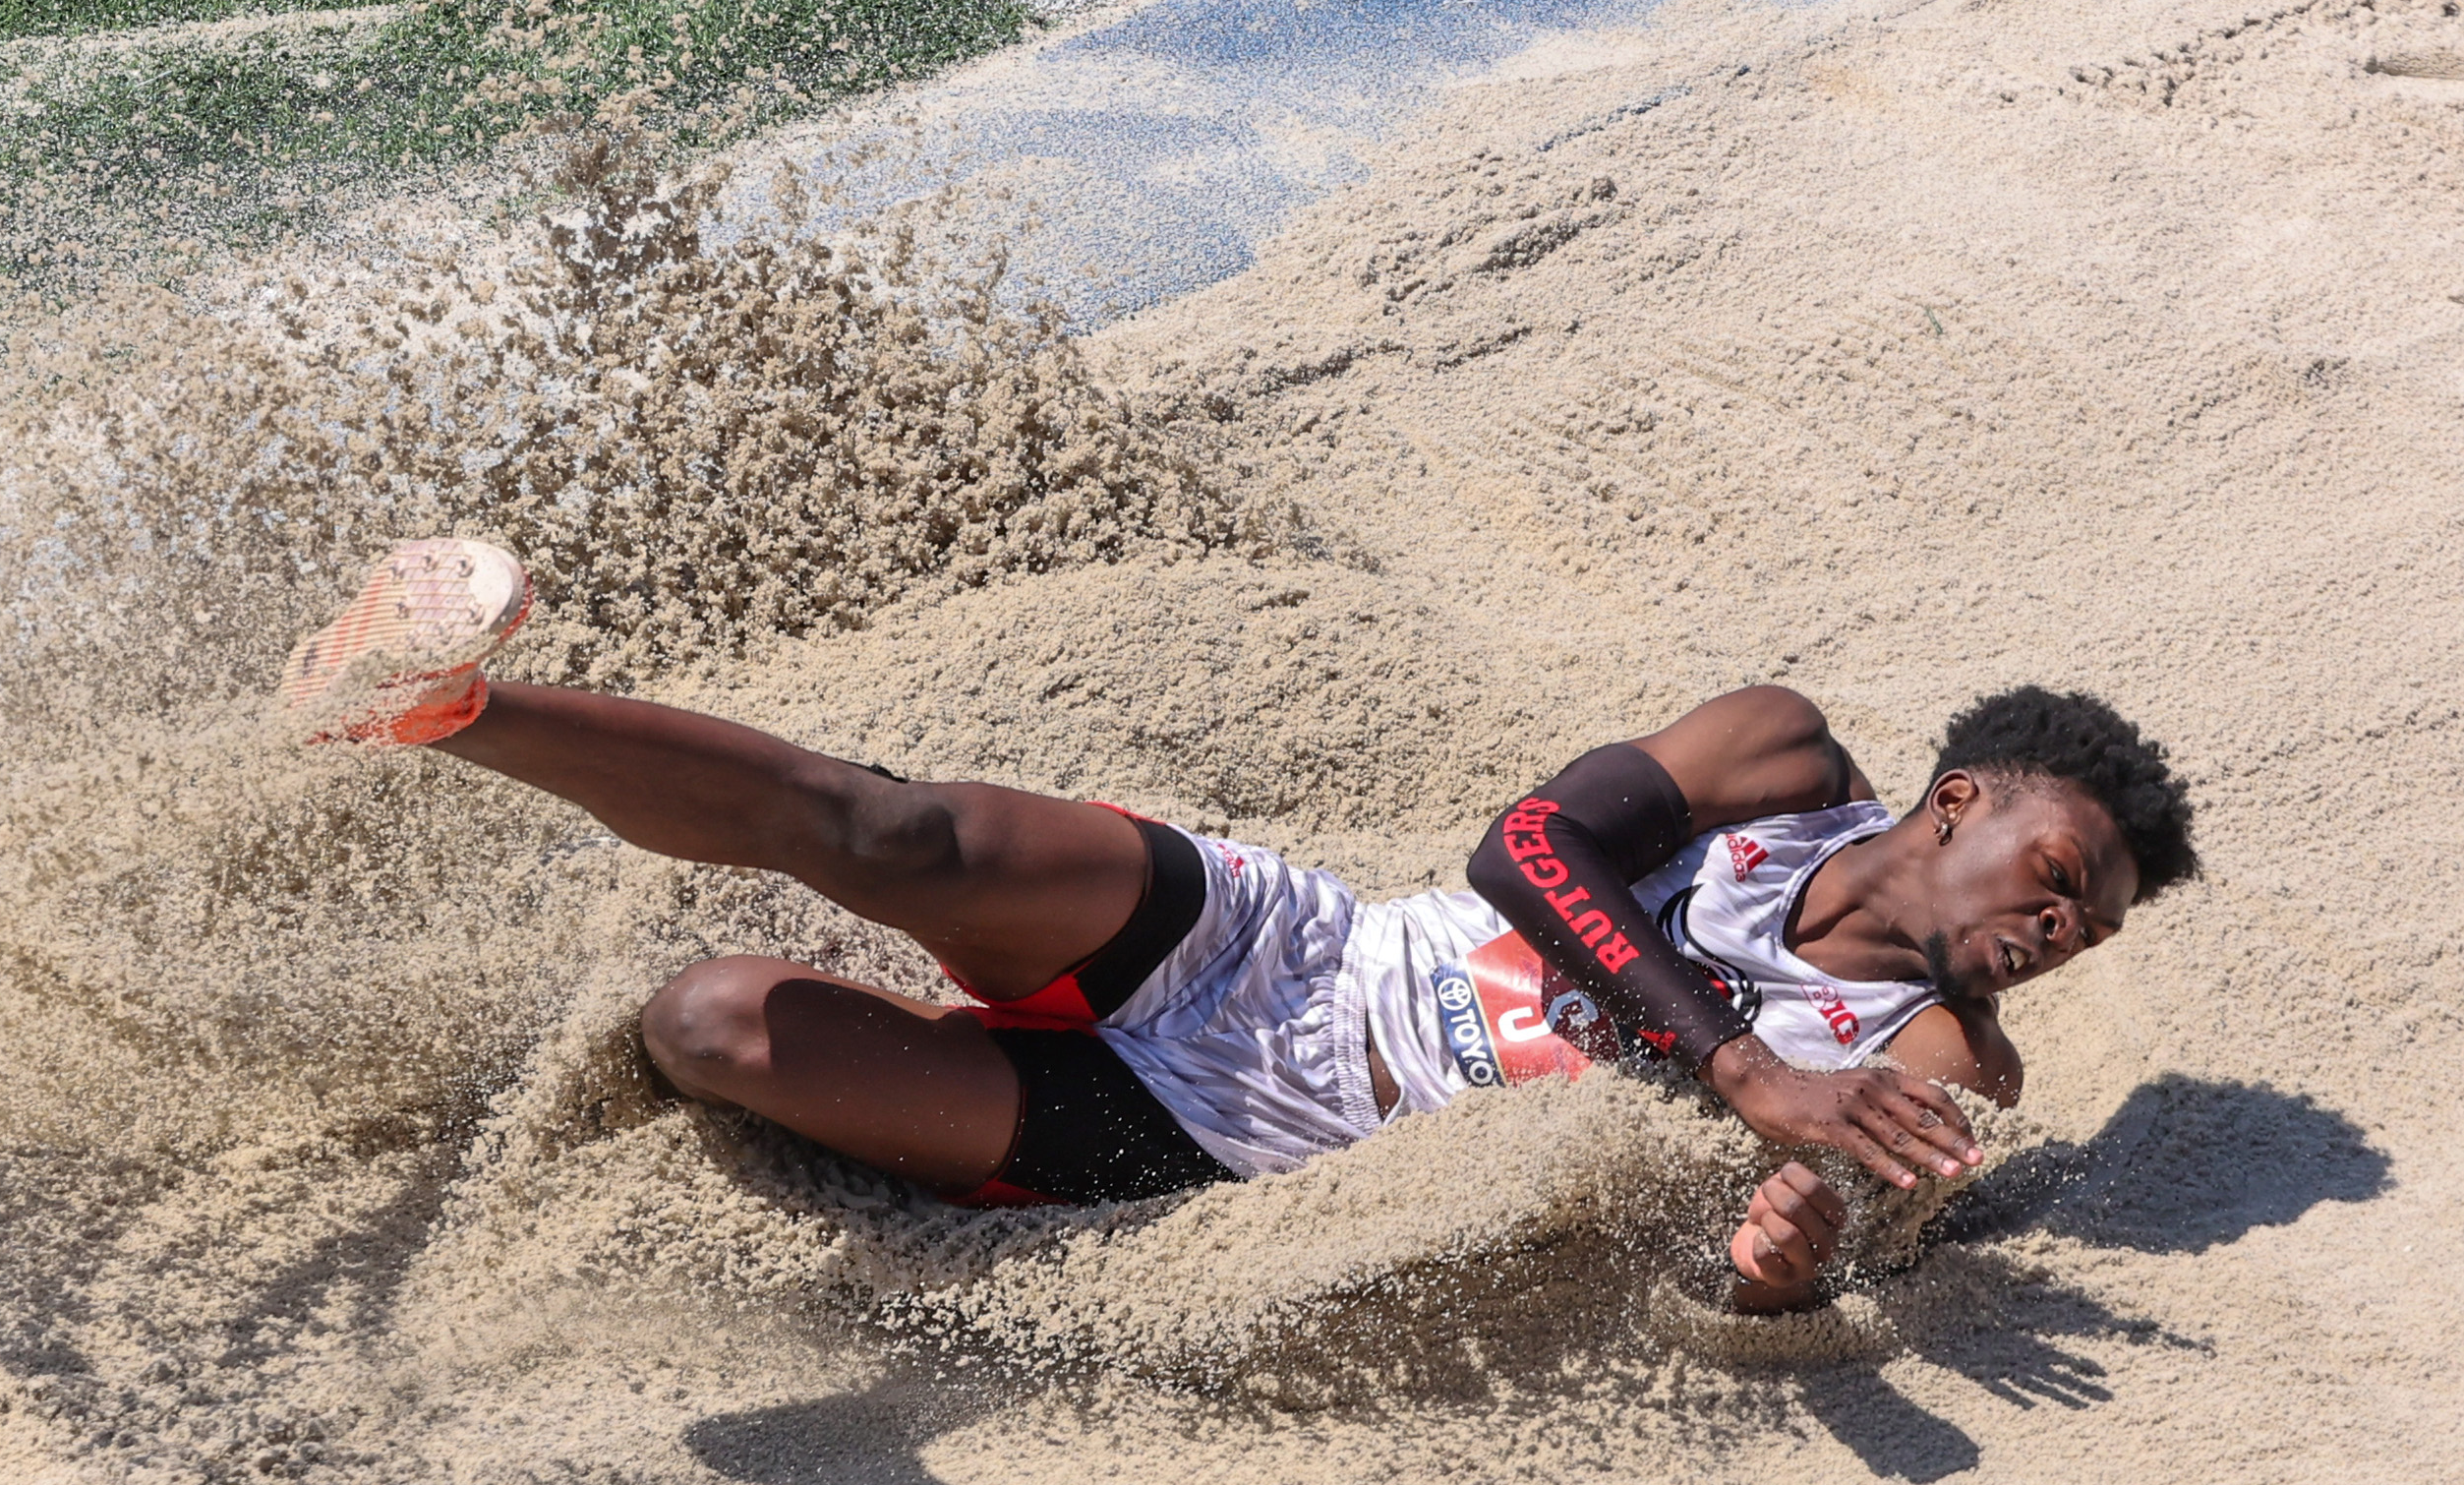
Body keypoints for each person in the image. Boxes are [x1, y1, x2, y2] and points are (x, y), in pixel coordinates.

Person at [281, 538, 2199, 1310]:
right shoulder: (1775, 758)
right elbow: (1523, 848)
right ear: (1958, 798)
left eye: (2089, 930)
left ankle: (945, 1079)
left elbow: (1839, 1227)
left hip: (1242, 1142)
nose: (2059, 927)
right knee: (896, 825)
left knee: (712, 1025)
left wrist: (1786, 1259)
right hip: (1279, 953)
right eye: (2056, 876)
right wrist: (1728, 1058)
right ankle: (438, 701)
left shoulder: (1939, 1052)